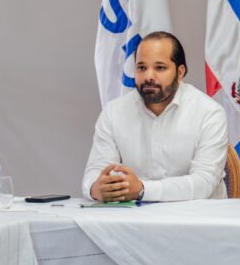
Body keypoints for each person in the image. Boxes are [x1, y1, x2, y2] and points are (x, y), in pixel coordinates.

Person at [82, 31, 229, 202]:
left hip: (197, 221)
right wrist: (97, 188)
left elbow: (204, 183)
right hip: (134, 221)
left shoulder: (209, 113)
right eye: (141, 68)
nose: (149, 76)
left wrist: (142, 190)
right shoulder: (113, 112)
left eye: (160, 68)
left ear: (180, 72)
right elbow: (95, 171)